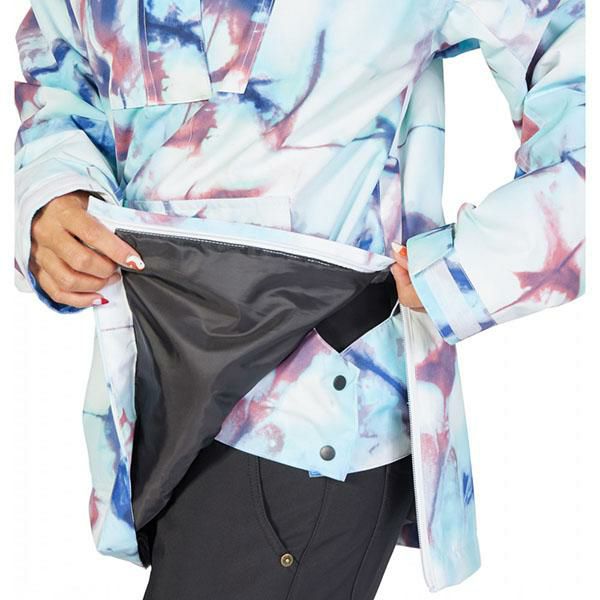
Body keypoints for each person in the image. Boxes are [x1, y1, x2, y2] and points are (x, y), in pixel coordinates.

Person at [14, 1, 585, 598]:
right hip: (155, 385)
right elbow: (60, 61)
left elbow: (571, 50)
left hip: (307, 403)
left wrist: (472, 264)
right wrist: (55, 193)